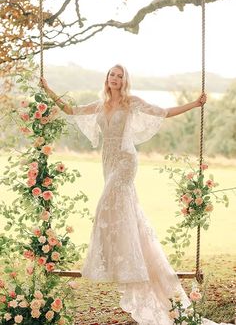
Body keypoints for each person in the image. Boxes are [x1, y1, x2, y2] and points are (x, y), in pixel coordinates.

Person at [40, 65, 228, 325]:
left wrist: (194, 104)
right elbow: (71, 110)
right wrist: (49, 90)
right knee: (124, 210)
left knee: (107, 204)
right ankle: (126, 260)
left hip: (126, 161)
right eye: (112, 75)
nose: (115, 79)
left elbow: (164, 113)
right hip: (108, 161)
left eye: (120, 76)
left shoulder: (132, 103)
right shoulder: (99, 105)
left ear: (124, 81)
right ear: (106, 78)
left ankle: (124, 262)